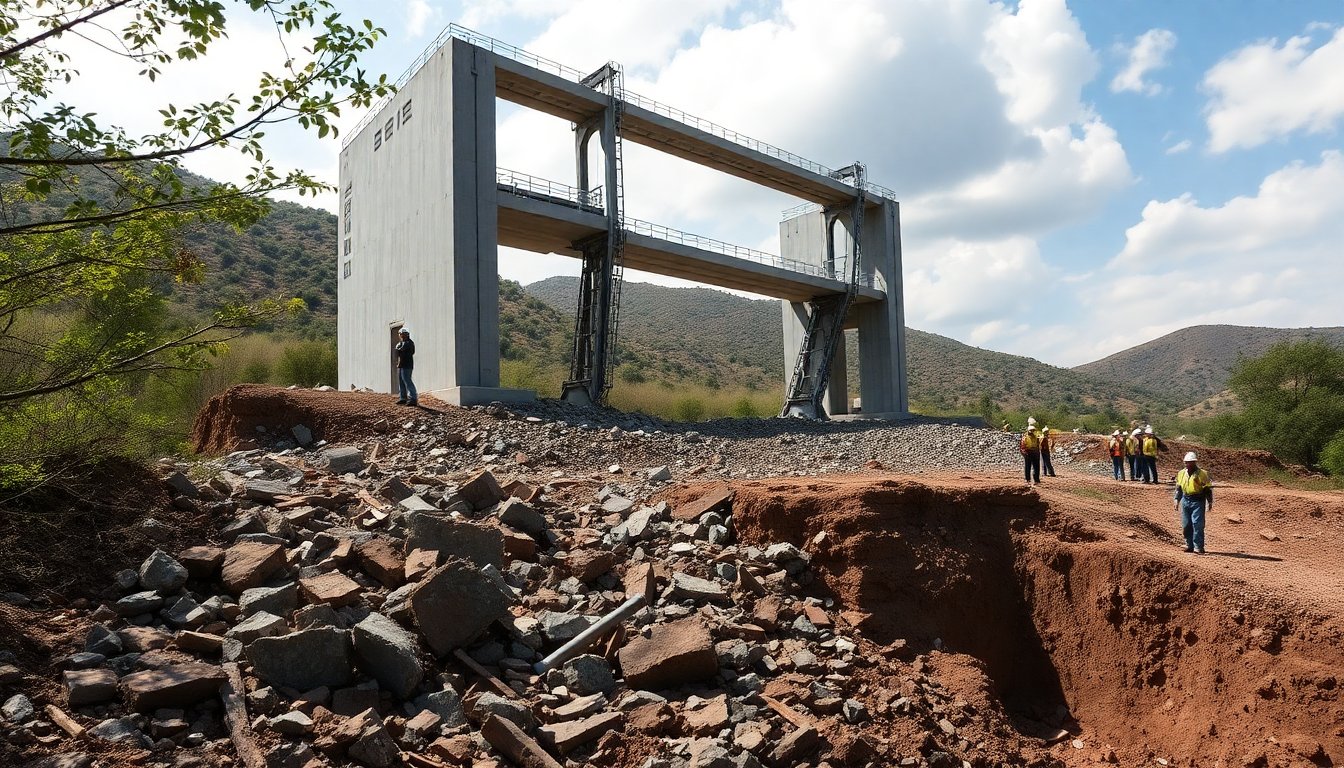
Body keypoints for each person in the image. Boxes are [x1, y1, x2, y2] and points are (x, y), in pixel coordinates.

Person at [1174, 451, 1213, 553]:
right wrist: (1177, 500)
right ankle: (1189, 545)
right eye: (1186, 462)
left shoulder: (1202, 474)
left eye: (1190, 462)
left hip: (1198, 501)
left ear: (1195, 462)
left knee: (1197, 524)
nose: (1188, 464)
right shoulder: (1181, 473)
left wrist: (1210, 501)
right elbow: (1179, 487)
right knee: (1186, 524)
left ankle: (1198, 546)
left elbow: (1207, 489)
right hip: (1186, 500)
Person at [394, 327, 417, 406]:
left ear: (406, 335)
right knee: (401, 381)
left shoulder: (409, 343)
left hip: (407, 365)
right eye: (401, 334)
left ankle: (413, 398)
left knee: (407, 381)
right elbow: (398, 351)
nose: (401, 336)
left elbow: (400, 350)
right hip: (401, 365)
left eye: (403, 334)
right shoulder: (402, 343)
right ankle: (403, 397)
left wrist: (399, 349)